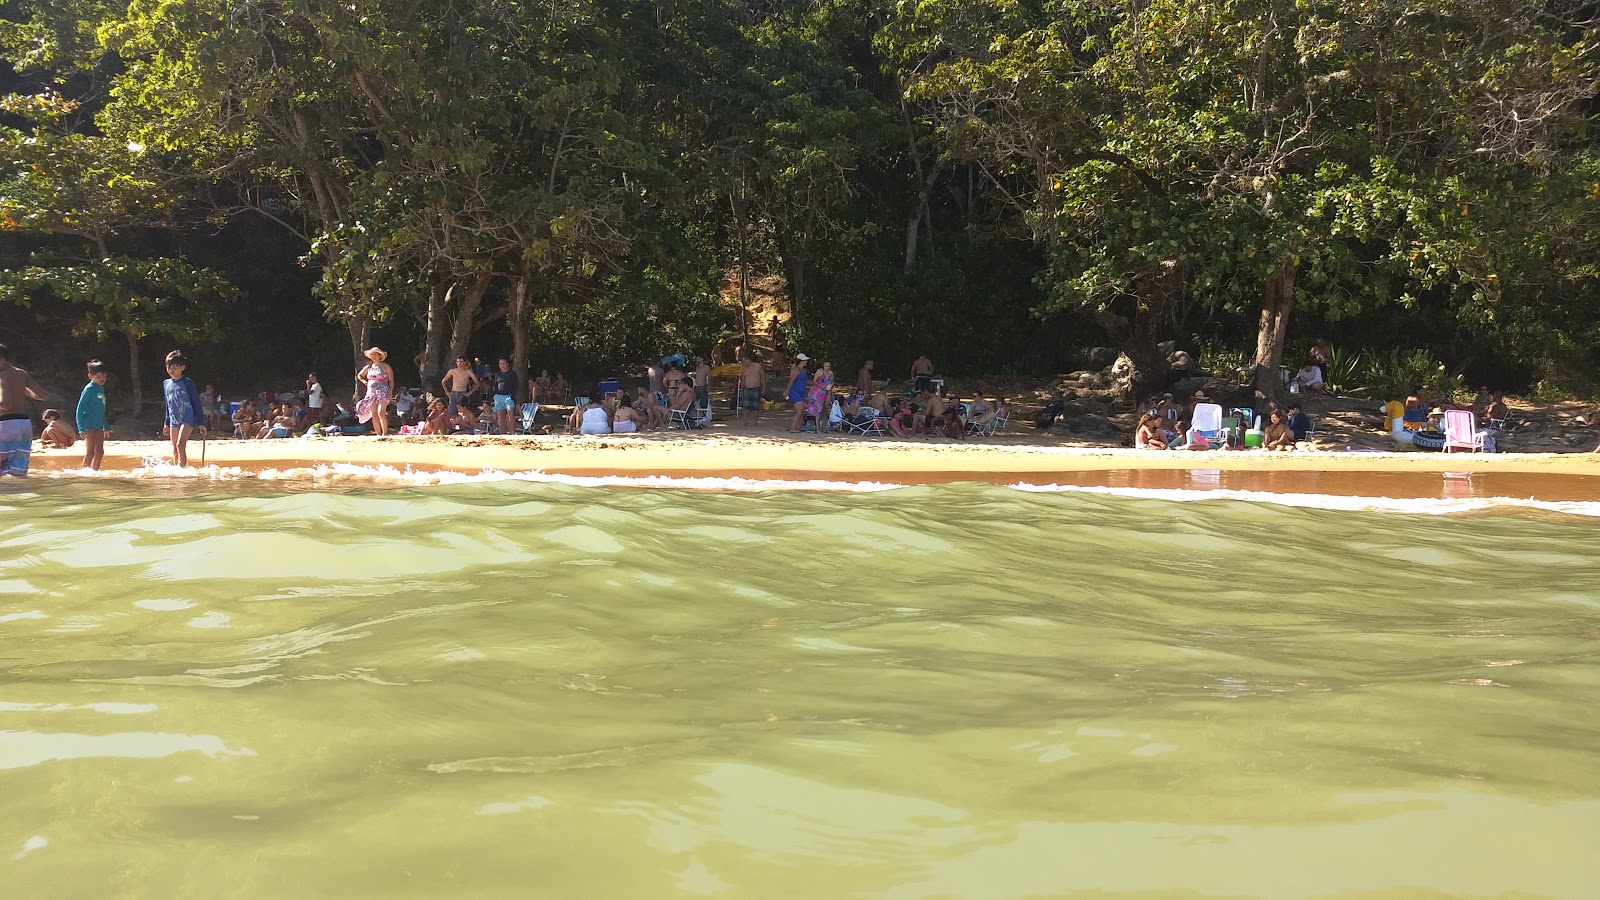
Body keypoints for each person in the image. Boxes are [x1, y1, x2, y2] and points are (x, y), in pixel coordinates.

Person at [0, 342, 47, 477]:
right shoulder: (21, 373)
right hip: (24, 425)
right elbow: (43, 395)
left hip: (6, 425)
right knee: (18, 472)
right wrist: (21, 391)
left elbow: (6, 405)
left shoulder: (2, 376)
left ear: (1, 360)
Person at [162, 350, 205, 467]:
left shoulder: (188, 383)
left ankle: (183, 470)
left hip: (187, 417)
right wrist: (166, 422)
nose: (171, 370)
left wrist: (201, 422)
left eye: (174, 368)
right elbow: (168, 404)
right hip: (173, 419)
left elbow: (196, 402)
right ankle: (177, 470)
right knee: (175, 447)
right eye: (168, 367)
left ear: (182, 368)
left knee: (181, 444)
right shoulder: (166, 383)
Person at [77, 360, 110, 470]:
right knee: (90, 453)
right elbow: (79, 409)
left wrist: (106, 426)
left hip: (99, 425)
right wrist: (81, 428)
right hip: (89, 425)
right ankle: (84, 474)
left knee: (100, 452)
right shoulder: (89, 389)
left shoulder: (100, 389)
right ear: (90, 376)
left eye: (104, 376)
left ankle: (94, 472)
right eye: (98, 376)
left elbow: (101, 410)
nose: (102, 379)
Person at [356, 347, 395, 436]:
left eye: (375, 354)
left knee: (381, 412)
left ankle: (384, 433)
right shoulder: (369, 367)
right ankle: (378, 434)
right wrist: (365, 382)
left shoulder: (385, 366)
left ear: (379, 355)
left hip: (383, 391)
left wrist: (390, 392)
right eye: (372, 354)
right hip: (371, 392)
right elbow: (359, 375)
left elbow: (391, 380)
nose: (373, 356)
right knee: (374, 414)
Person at [491, 358, 519, 435]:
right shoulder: (497, 374)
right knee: (501, 415)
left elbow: (515, 386)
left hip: (508, 396)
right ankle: (502, 433)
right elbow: (495, 386)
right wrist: (494, 396)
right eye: (500, 364)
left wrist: (512, 395)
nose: (502, 365)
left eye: (504, 363)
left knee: (510, 413)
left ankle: (512, 432)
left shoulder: (512, 374)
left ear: (507, 364)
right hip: (499, 396)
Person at [786, 354, 811, 432]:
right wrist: (787, 391)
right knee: (799, 411)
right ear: (801, 361)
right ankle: (793, 428)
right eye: (805, 360)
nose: (806, 362)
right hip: (795, 392)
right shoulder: (795, 370)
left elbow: (805, 381)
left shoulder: (803, 370)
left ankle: (798, 427)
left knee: (802, 411)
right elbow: (791, 381)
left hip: (801, 393)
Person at [806, 360, 834, 429]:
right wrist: (821, 386)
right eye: (825, 366)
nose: (826, 368)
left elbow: (832, 381)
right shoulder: (819, 372)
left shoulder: (831, 373)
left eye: (828, 366)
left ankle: (823, 426)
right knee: (818, 409)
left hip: (827, 391)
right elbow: (814, 381)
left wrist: (831, 385)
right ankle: (817, 427)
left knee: (825, 409)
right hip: (819, 391)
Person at [740, 354, 765, 426]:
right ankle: (745, 422)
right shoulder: (744, 368)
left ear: (748, 360)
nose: (743, 363)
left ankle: (755, 422)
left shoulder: (757, 366)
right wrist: (741, 390)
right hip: (747, 389)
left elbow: (763, 376)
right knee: (746, 406)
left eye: (744, 361)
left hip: (756, 388)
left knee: (755, 407)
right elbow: (743, 380)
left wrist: (763, 388)